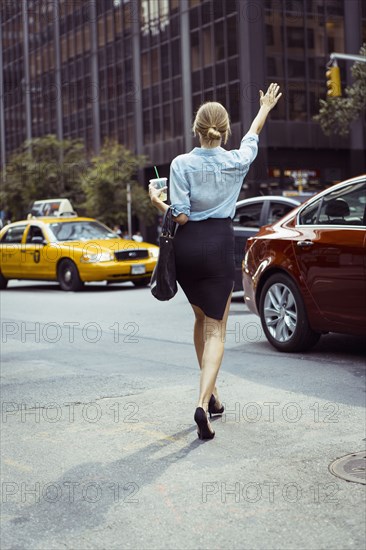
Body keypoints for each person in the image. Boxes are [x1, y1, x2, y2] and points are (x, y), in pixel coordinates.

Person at [149, 83, 282, 440]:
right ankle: (202, 401)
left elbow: (179, 217)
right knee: (216, 329)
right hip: (219, 245)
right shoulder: (236, 160)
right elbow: (252, 135)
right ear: (224, 132)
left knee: (199, 320)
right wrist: (265, 107)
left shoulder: (180, 164)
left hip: (189, 248)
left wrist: (155, 200)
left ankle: (214, 397)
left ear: (197, 128)